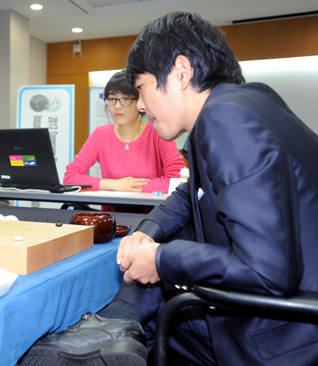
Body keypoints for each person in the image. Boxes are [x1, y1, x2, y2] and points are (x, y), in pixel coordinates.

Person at [19, 11, 318, 366]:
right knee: (148, 311)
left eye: (142, 88)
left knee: (156, 310)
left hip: (277, 339)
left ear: (181, 71)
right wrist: (148, 232)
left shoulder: (227, 120)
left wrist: (160, 259)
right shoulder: (247, 104)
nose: (141, 105)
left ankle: (112, 329)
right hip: (283, 322)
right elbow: (192, 193)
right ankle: (115, 328)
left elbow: (266, 270)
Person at [63, 70, 185, 200]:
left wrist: (133, 187)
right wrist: (115, 184)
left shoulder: (158, 132)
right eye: (112, 99)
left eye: (125, 99)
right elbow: (70, 177)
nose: (117, 106)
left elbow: (175, 180)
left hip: (154, 215)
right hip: (112, 216)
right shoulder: (101, 134)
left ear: (140, 100)